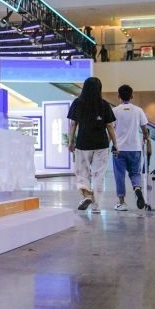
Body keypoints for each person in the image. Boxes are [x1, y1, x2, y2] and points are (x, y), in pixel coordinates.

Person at [67, 77, 118, 213]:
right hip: (101, 144)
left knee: (82, 173)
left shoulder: (77, 103)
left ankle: (87, 195)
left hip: (83, 143)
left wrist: (70, 141)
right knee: (98, 175)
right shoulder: (104, 104)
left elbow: (73, 124)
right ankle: (97, 207)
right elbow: (110, 126)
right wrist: (115, 144)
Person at [111, 85, 150, 211]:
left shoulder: (115, 111)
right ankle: (137, 188)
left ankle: (121, 202)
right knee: (135, 173)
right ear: (132, 96)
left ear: (118, 96)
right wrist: (146, 136)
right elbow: (144, 128)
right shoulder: (138, 110)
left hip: (119, 149)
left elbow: (110, 129)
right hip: (135, 148)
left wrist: (110, 144)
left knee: (119, 175)